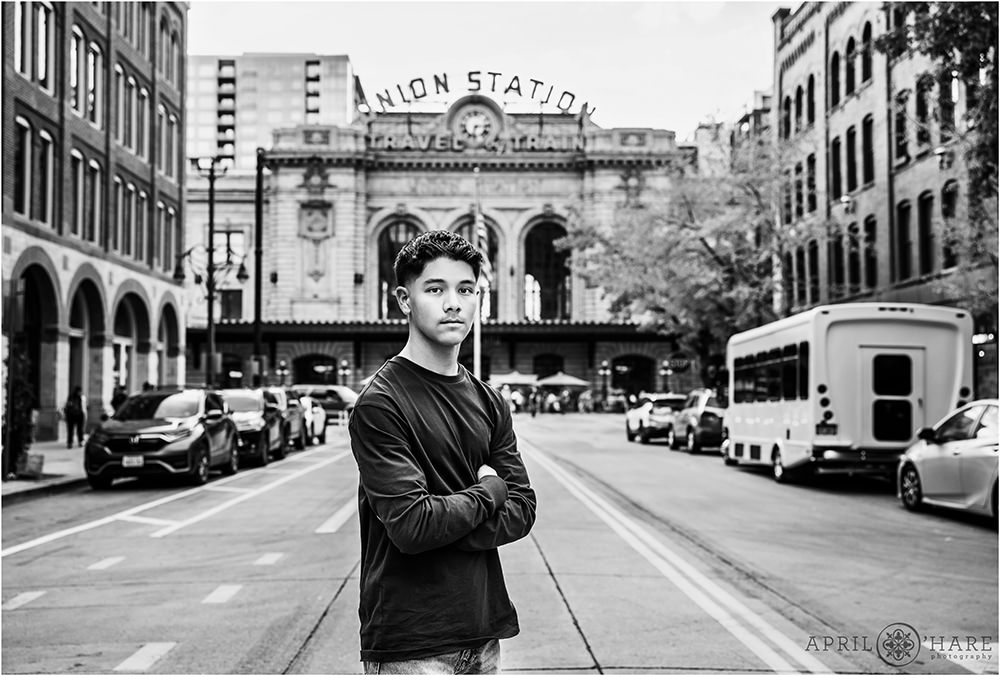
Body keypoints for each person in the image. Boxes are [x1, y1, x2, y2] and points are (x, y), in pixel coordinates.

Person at [349, 230, 536, 673]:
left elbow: (524, 508)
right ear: (404, 299)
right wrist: (489, 491)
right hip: (410, 646)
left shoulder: (490, 400)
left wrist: (443, 524)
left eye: (466, 289)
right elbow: (413, 526)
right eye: (435, 289)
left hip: (484, 633)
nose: (454, 303)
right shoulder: (381, 404)